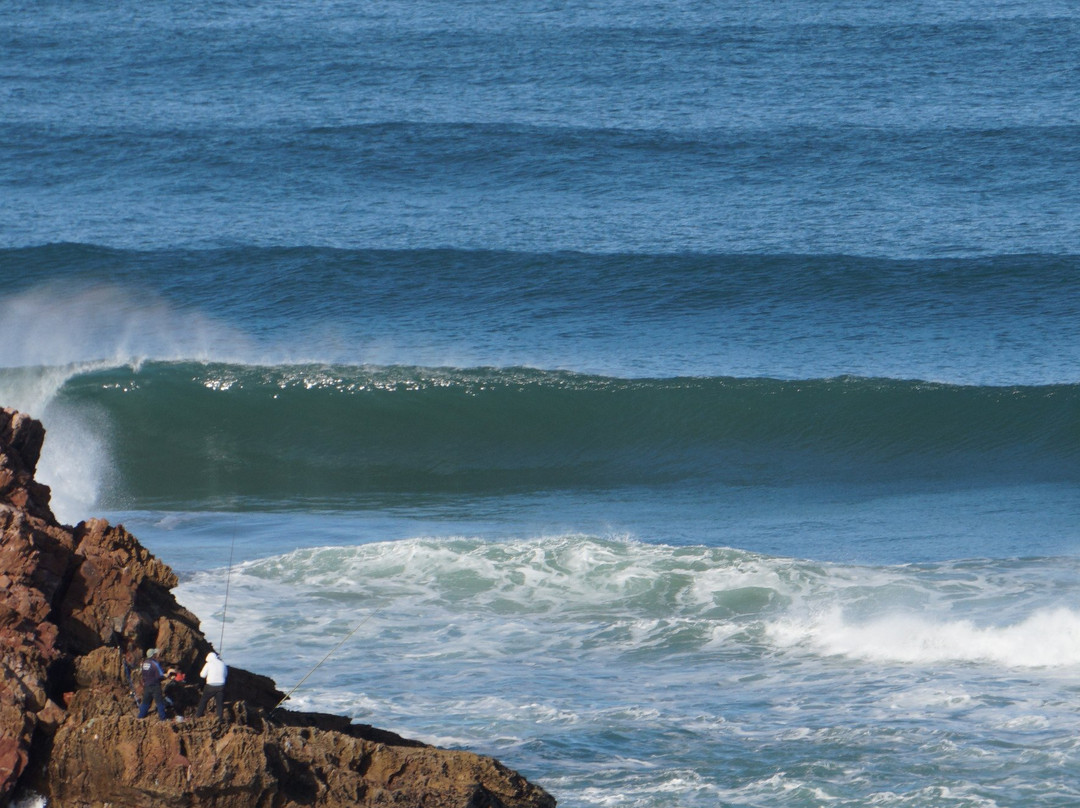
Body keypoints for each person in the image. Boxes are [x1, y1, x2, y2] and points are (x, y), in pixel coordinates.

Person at [195, 650, 228, 722]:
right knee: (219, 703)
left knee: (203, 700)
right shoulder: (222, 663)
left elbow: (202, 675)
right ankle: (219, 719)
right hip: (221, 686)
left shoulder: (208, 664)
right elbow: (225, 675)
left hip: (210, 686)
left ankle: (198, 715)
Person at [137, 648, 168, 720]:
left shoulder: (144, 663)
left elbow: (142, 674)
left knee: (145, 702)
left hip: (147, 685)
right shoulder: (155, 663)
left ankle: (140, 716)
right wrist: (167, 676)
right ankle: (163, 718)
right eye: (155, 654)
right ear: (153, 655)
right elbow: (160, 675)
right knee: (159, 702)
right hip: (155, 685)